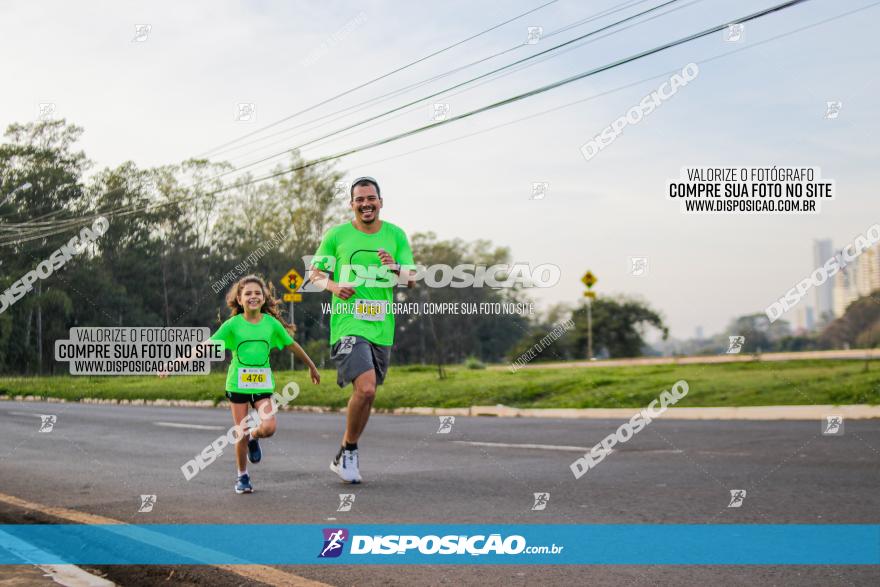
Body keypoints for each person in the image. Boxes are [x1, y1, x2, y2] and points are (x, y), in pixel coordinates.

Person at [310, 176, 415, 484]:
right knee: (366, 387)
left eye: (371, 198)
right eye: (360, 199)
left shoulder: (395, 235)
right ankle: (351, 452)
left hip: (381, 327)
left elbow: (410, 279)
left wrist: (395, 265)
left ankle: (346, 448)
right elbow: (314, 274)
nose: (366, 204)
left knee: (367, 395)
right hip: (348, 324)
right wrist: (333, 285)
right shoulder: (337, 235)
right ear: (352, 204)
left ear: (380, 202)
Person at [208, 274, 320, 493]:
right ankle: (242, 476)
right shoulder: (232, 325)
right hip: (237, 386)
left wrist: (312, 366)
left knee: (268, 427)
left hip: (261, 386)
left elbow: (292, 345)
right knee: (240, 432)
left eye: (257, 293)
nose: (253, 296)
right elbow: (207, 345)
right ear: (239, 299)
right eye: (247, 293)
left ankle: (254, 437)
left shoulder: (271, 324)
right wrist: (178, 361)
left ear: (263, 298)